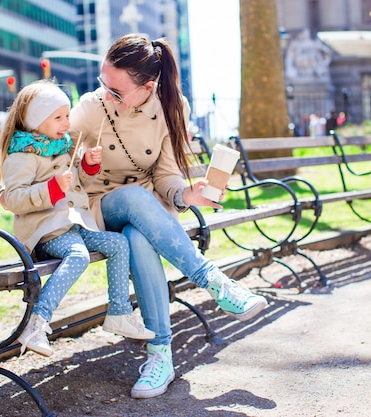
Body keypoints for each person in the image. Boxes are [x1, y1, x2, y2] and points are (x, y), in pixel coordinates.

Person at [69, 34, 268, 399]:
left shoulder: (170, 108)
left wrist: (186, 194)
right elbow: (58, 162)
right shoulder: (89, 108)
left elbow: (165, 173)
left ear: (148, 87)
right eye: (103, 83)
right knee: (130, 199)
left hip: (146, 210)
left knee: (138, 237)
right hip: (98, 205)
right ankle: (216, 283)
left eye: (116, 90)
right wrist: (84, 163)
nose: (105, 94)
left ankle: (160, 355)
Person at [0, 80, 155, 357]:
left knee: (118, 243)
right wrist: (52, 188)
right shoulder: (22, 154)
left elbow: (76, 184)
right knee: (79, 255)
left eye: (67, 115)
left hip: (71, 225)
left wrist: (87, 165)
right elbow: (13, 199)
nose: (65, 122)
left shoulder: (60, 147)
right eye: (57, 117)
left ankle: (119, 312)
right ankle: (37, 323)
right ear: (36, 120)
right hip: (44, 233)